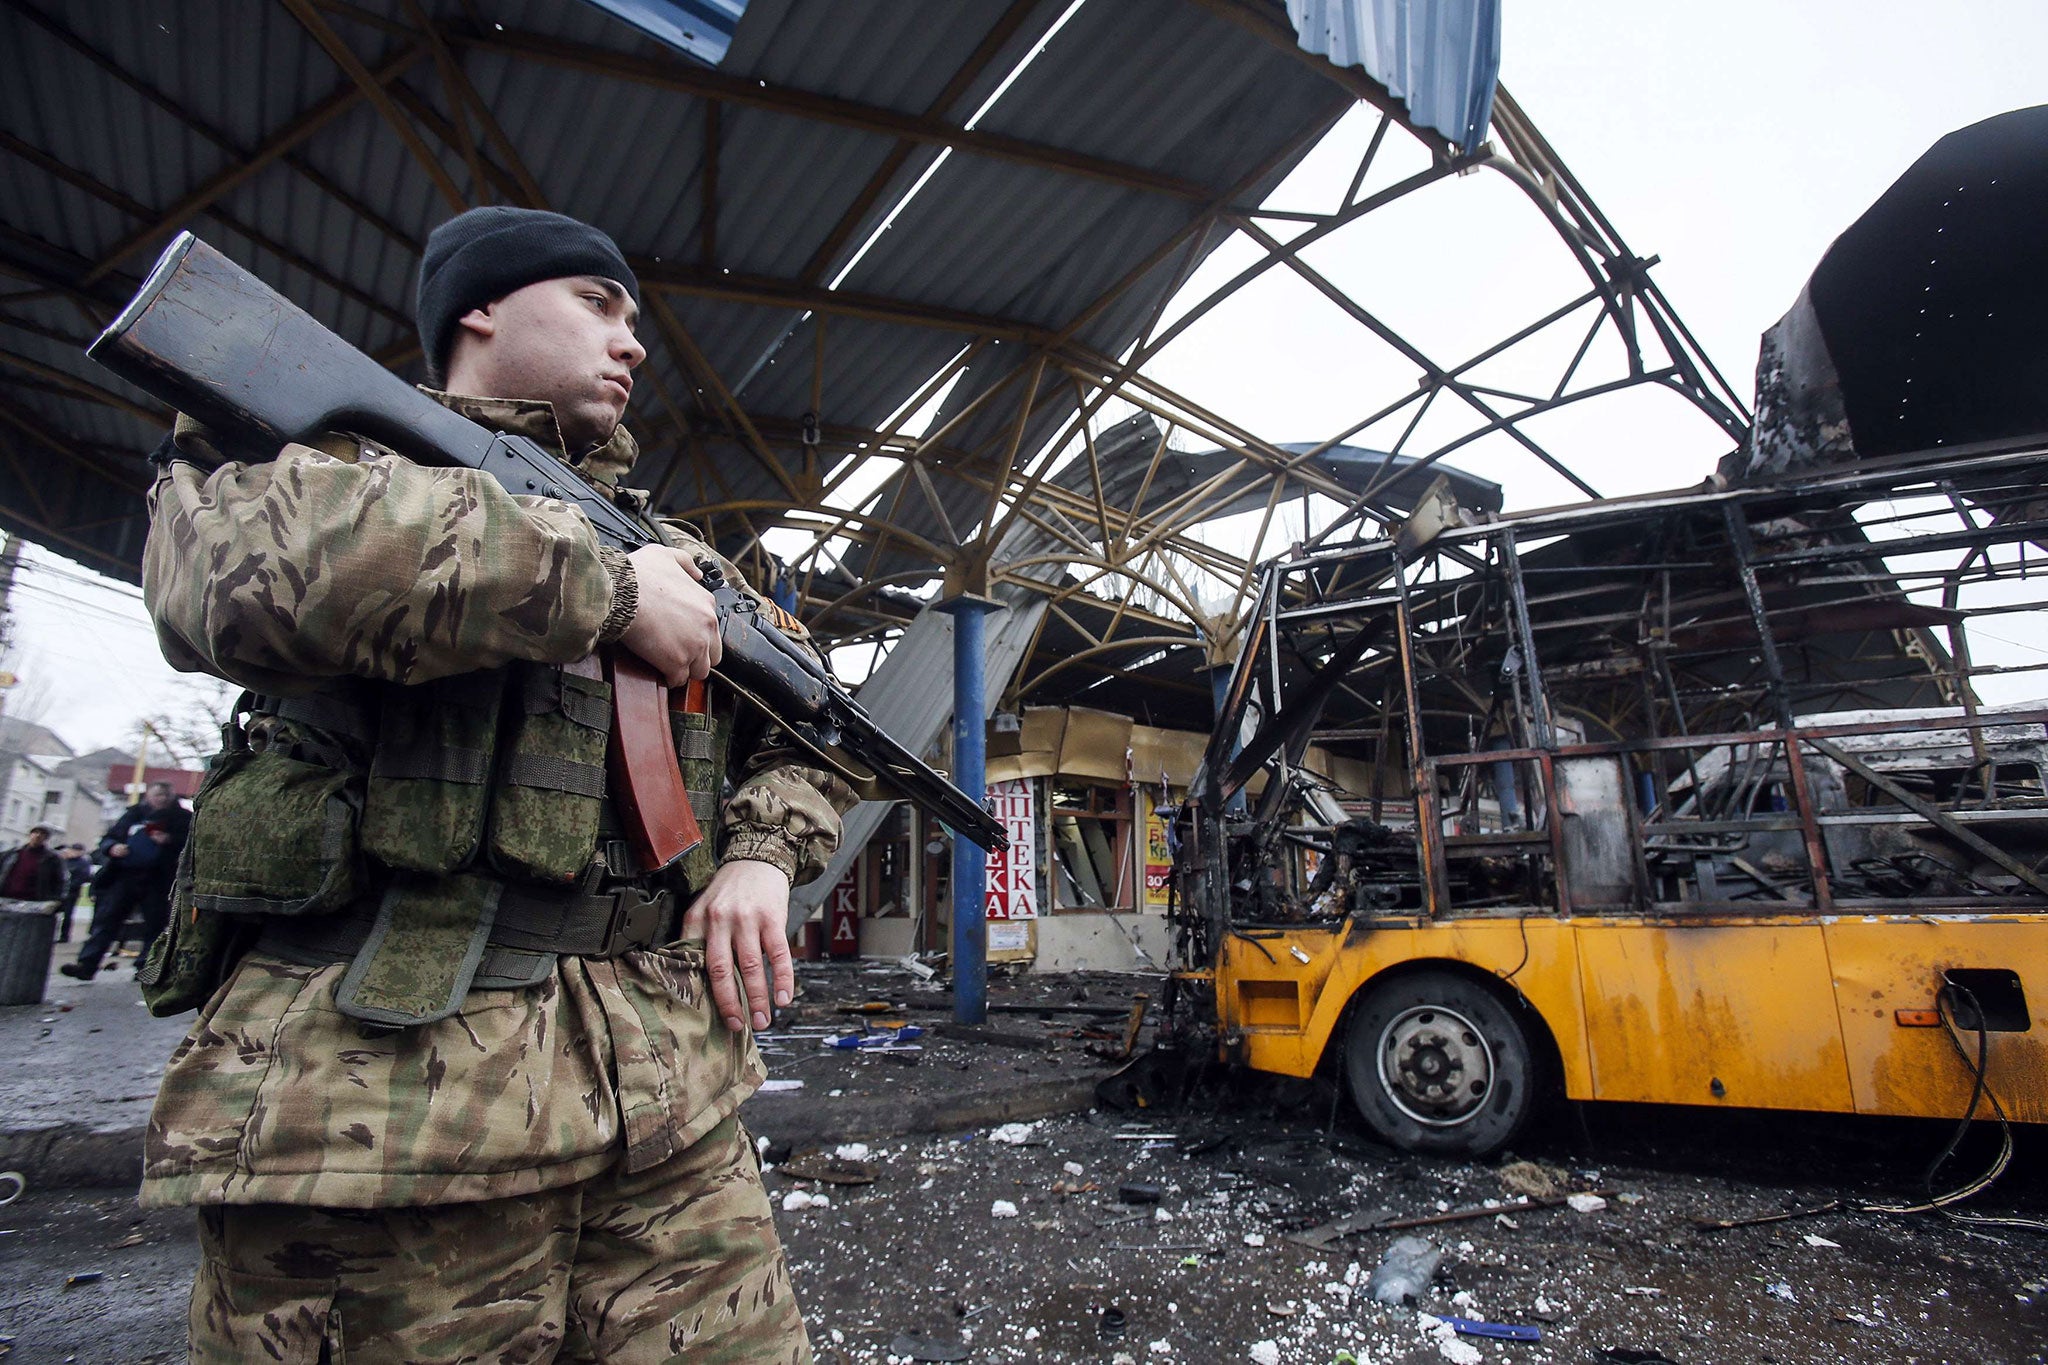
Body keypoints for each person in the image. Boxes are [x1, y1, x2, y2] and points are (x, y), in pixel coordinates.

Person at [138, 206, 850, 1362]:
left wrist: (763, 860)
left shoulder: (684, 554)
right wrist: (607, 591)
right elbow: (230, 577)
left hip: (668, 1116)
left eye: (634, 321)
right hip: (385, 1120)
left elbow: (819, 724)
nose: (633, 345)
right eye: (596, 303)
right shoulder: (314, 450)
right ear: (477, 306)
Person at [59, 784, 189, 978]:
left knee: (155, 924)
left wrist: (169, 840)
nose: (161, 799)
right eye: (157, 795)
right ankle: (87, 964)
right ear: (149, 796)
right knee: (107, 920)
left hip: (159, 877)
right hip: (125, 874)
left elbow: (191, 844)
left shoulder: (182, 818)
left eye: (165, 795)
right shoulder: (134, 814)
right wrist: (113, 847)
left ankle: (147, 966)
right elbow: (108, 838)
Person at [0, 824, 67, 903]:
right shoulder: (12, 854)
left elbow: (60, 881)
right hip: (6, 898)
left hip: (34, 901)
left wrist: (55, 901)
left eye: (42, 834)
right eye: (36, 832)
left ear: (46, 838)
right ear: (30, 834)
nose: (38, 836)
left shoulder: (52, 859)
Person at [54, 843, 93, 943]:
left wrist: (70, 886)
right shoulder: (64, 861)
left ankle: (64, 936)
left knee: (67, 915)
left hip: (72, 892)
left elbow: (83, 877)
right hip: (59, 892)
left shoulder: (83, 863)